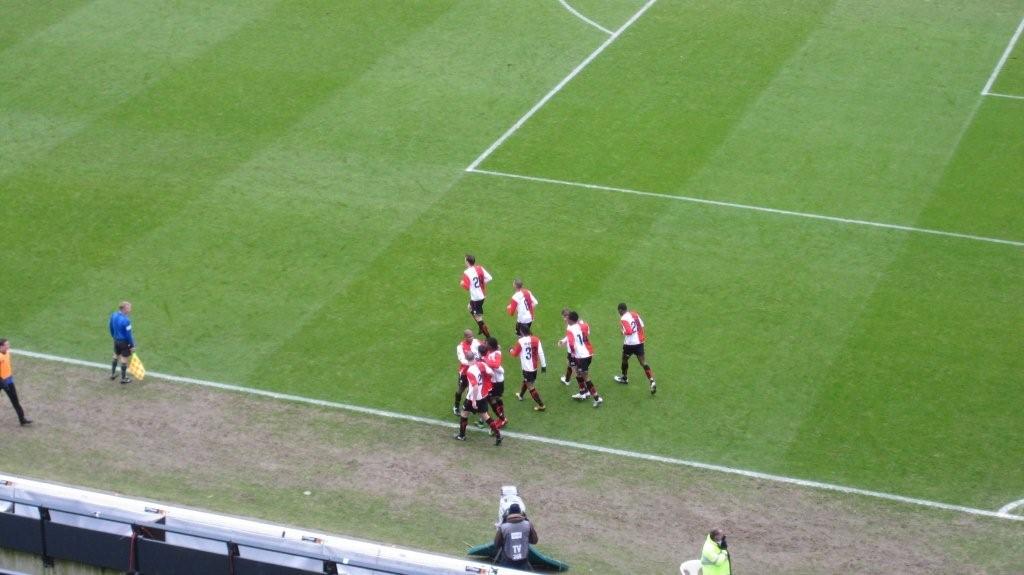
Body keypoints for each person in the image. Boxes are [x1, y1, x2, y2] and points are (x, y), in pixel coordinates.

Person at [454, 352, 502, 446]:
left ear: (467, 360)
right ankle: (498, 435)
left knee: (464, 414)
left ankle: (461, 435)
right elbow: (491, 373)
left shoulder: (470, 371)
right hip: (483, 395)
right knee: (485, 416)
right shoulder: (481, 364)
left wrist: (474, 401)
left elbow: (475, 387)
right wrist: (487, 382)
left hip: (473, 398)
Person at [560, 311, 602, 407]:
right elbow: (587, 334)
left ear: (571, 320)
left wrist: (573, 353)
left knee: (585, 376)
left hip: (581, 356)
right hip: (589, 353)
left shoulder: (570, 329)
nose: (566, 320)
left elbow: (571, 344)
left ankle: (597, 398)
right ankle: (583, 392)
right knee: (577, 372)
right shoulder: (584, 325)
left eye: (568, 319)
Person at [613, 303, 657, 394]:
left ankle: (624, 378)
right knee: (643, 362)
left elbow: (628, 331)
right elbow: (642, 325)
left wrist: (623, 331)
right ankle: (652, 381)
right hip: (639, 342)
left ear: (621, 310)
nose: (619, 313)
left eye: (619, 311)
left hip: (629, 344)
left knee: (624, 359)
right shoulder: (634, 314)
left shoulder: (623, 318)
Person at [494, 503, 538, 570]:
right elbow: (534, 541)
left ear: (509, 514)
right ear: (520, 513)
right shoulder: (528, 524)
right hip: (523, 563)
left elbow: (496, 544)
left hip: (507, 563)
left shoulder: (503, 527)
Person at [510, 332, 546, 411]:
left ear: (522, 332)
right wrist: (543, 365)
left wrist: (511, 350)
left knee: (530, 386)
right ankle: (521, 395)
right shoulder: (536, 339)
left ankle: (541, 405)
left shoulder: (521, 341)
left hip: (527, 368)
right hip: (534, 367)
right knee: (527, 381)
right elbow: (541, 353)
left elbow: (515, 354)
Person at [0, 339, 31, 426]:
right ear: (1, 346)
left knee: (15, 401)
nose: (8, 346)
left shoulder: (7, 353)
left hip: (8, 381)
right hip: (1, 381)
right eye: (6, 345)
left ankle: (22, 419)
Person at [460, 254, 493, 337]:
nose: (464, 262)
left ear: (467, 262)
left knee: (478, 317)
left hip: (476, 298)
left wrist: (462, 283)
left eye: (465, 260)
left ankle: (488, 337)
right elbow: (489, 278)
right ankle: (480, 325)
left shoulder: (466, 273)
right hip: (482, 295)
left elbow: (467, 287)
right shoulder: (479, 268)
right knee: (469, 307)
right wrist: (481, 283)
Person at [455, 329, 483, 416]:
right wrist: (471, 362)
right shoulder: (460, 347)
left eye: (472, 336)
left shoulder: (477, 342)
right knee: (461, 389)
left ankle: (470, 407)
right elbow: (462, 359)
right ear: (465, 337)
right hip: (465, 372)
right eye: (469, 337)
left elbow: (483, 348)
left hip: (475, 371)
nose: (472, 338)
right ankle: (456, 406)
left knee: (473, 389)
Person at [108, 301, 136, 384]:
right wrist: (132, 345)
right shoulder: (126, 321)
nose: (130, 310)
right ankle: (124, 379)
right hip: (124, 342)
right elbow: (129, 335)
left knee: (115, 355)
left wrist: (114, 336)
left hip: (116, 340)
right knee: (124, 359)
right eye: (129, 308)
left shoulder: (113, 315)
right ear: (124, 309)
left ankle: (112, 374)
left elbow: (110, 327)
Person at [483, 337, 508, 427]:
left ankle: (502, 419)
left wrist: (485, 361)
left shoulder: (497, 353)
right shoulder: (490, 352)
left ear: (490, 346)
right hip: (495, 381)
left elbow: (496, 365)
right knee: (497, 398)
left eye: (486, 343)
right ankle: (502, 417)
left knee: (491, 400)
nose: (484, 344)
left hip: (497, 382)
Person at [558, 308, 575, 386]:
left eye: (564, 317)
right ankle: (567, 379)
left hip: (573, 350)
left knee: (576, 369)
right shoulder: (577, 322)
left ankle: (584, 390)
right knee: (570, 364)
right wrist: (563, 340)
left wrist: (563, 341)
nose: (564, 319)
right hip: (578, 349)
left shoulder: (570, 326)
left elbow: (570, 336)